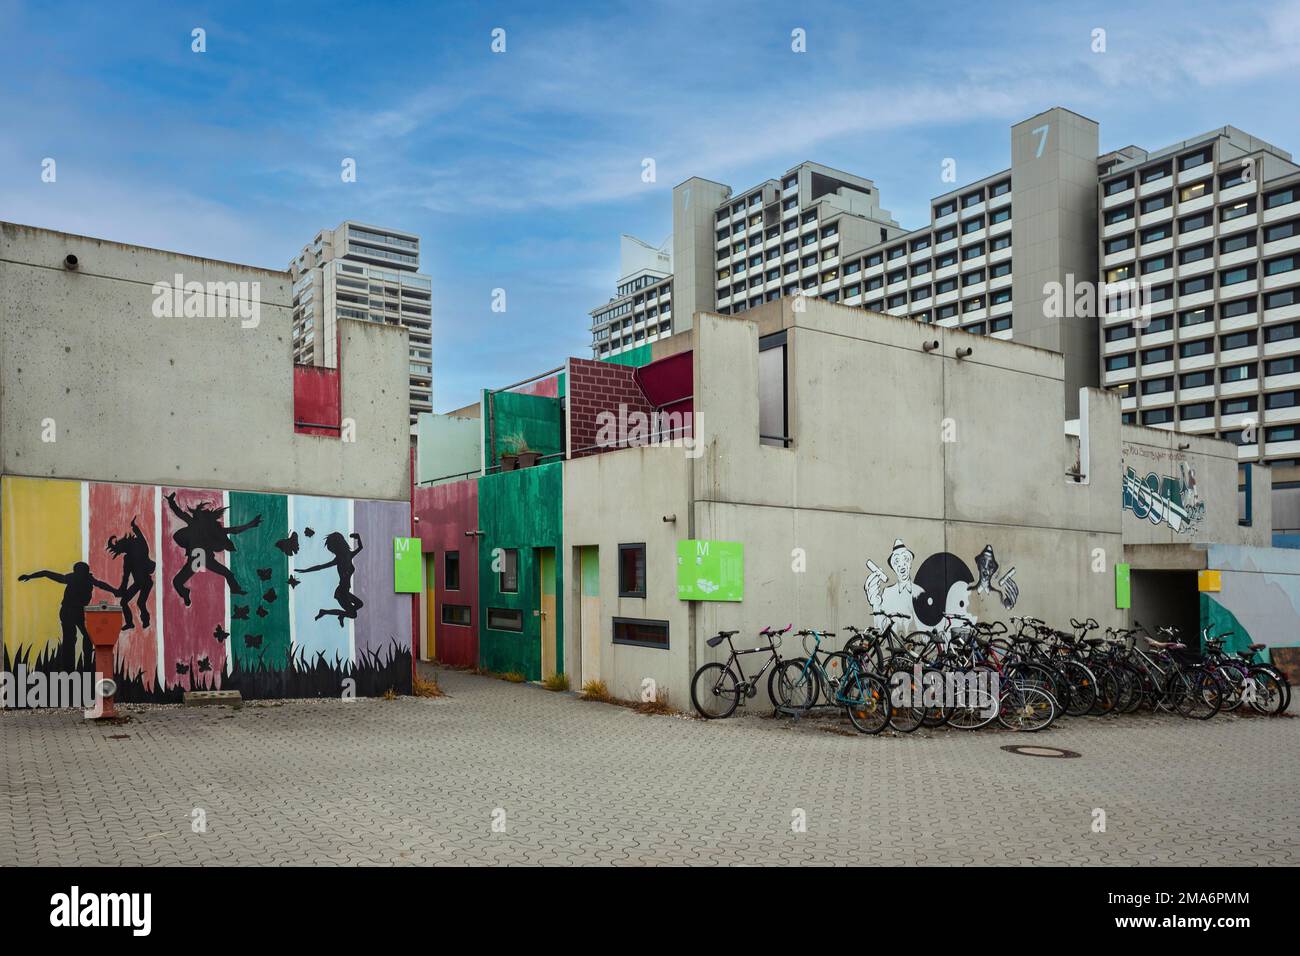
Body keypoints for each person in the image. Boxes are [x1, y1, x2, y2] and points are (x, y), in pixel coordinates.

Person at [165, 492, 261, 605]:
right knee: (227, 573)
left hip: (200, 558)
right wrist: (250, 525)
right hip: (201, 559)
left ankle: (234, 589)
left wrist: (171, 502)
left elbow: (179, 513)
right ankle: (186, 593)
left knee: (177, 582)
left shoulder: (201, 525)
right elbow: (233, 530)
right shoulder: (203, 526)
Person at [17, 562, 119, 666]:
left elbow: (102, 585)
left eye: (82, 572)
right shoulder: (73, 578)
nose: (81, 575)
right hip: (68, 611)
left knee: (85, 637)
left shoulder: (86, 579)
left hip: (77, 612)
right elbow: (46, 573)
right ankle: (69, 665)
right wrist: (30, 576)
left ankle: (86, 662)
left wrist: (114, 591)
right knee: (71, 638)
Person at [297, 532, 364, 628]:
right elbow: (321, 567)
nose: (332, 551)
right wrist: (305, 570)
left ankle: (337, 614)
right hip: (341, 592)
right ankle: (326, 612)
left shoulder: (349, 555)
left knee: (359, 605)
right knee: (353, 614)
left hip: (345, 591)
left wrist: (358, 537)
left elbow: (360, 547)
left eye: (332, 548)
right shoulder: (339, 559)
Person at [106, 517, 155, 630]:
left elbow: (126, 577)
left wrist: (135, 527)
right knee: (125, 602)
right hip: (139, 583)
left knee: (140, 603)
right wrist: (122, 589)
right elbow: (126, 576)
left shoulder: (141, 548)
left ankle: (145, 621)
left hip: (146, 581)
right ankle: (130, 623)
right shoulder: (128, 558)